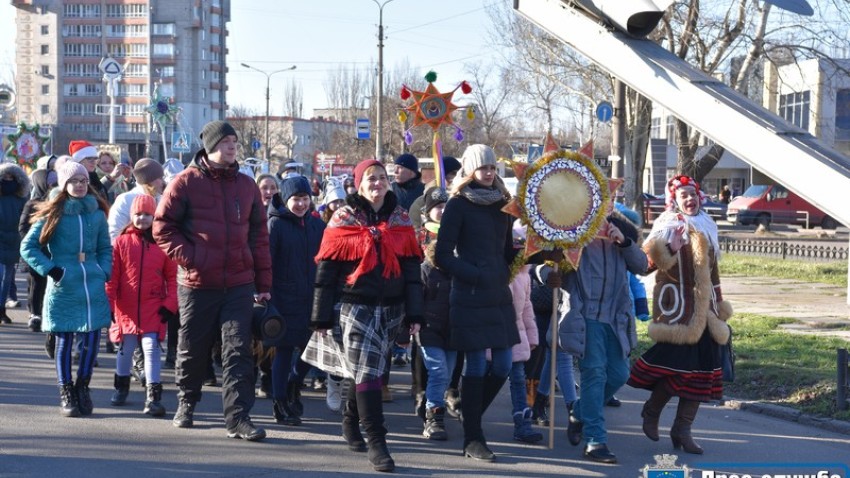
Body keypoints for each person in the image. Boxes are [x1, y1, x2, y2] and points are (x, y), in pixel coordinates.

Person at [153, 120, 272, 441]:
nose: (231, 147)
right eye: (225, 142)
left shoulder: (247, 186)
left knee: (238, 351)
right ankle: (187, 402)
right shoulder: (185, 182)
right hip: (195, 283)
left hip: (238, 283)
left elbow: (260, 237)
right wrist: (193, 258)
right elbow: (162, 227)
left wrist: (263, 284)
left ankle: (238, 418)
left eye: (234, 142)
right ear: (209, 146)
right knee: (193, 347)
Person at [302, 159, 423, 473]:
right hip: (356, 307)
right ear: (358, 183)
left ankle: (348, 418)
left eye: (382, 178)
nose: (377, 183)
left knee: (369, 372)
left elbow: (411, 270)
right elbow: (326, 272)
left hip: (392, 308)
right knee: (368, 373)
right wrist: (320, 318)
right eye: (371, 178)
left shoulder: (400, 218)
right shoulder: (343, 217)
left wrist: (415, 312)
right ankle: (377, 441)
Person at [628, 174, 732, 455]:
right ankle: (652, 410)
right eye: (683, 195)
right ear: (674, 199)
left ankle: (682, 430)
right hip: (676, 311)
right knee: (678, 367)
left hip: (706, 311)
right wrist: (670, 247)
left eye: (692, 194)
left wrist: (720, 305)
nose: (689, 199)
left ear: (700, 197)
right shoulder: (666, 225)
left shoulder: (707, 226)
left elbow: (713, 273)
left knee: (701, 373)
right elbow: (645, 265)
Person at [434, 144, 520, 461]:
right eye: (483, 167)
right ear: (470, 171)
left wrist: (536, 253)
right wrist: (474, 274)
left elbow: (507, 252)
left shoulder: (504, 205)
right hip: (469, 295)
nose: (489, 173)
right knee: (475, 366)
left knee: (503, 365)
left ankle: (470, 415)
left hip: (498, 295)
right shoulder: (457, 205)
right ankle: (473, 438)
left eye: (493, 168)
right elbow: (442, 255)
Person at [549, 195, 648, 464]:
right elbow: (545, 264)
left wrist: (625, 242)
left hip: (616, 318)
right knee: (594, 375)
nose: (605, 205)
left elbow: (643, 265)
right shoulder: (572, 233)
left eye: (609, 200)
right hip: (585, 316)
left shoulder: (622, 230)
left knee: (619, 374)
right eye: (598, 199)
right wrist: (549, 276)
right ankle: (595, 440)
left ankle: (579, 413)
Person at [20, 161, 112, 417]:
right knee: (65, 340)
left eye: (83, 181)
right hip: (64, 285)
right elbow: (28, 248)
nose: (80, 185)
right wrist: (53, 270)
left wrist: (103, 270)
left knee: (92, 340)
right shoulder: (54, 213)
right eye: (74, 181)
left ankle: (83, 387)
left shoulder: (96, 213)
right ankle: (66, 390)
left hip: (92, 284)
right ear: (64, 185)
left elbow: (106, 248)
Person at [106, 195, 177, 416]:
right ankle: (121, 387)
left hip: (153, 306)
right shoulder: (121, 242)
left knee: (151, 348)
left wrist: (169, 305)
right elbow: (113, 277)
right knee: (126, 349)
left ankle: (153, 396)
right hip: (125, 307)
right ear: (131, 216)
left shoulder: (162, 244)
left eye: (147, 214)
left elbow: (174, 279)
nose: (142, 218)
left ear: (154, 216)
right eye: (138, 214)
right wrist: (108, 304)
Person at [267, 176, 326, 426]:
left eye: (304, 199)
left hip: (312, 297)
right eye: (295, 199)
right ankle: (280, 401)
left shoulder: (316, 225)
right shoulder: (275, 225)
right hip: (283, 297)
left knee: (312, 351)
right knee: (284, 350)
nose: (301, 204)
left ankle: (294, 381)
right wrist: (265, 293)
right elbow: (266, 262)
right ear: (285, 199)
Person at [416, 186, 456, 441]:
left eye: (446, 206)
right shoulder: (421, 243)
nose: (442, 211)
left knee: (446, 374)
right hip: (428, 325)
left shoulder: (459, 238)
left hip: (454, 326)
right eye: (437, 207)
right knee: (438, 370)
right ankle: (433, 416)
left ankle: (431, 403)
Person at [505, 221, 543, 444]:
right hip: (494, 337)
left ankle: (523, 424)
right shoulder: (501, 272)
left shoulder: (524, 276)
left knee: (518, 380)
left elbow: (527, 307)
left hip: (517, 337)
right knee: (485, 379)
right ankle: (473, 416)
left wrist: (532, 335)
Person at [19, 169, 54, 332]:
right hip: (36, 251)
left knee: (49, 283)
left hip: (53, 251)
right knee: (35, 283)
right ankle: (34, 314)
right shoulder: (32, 203)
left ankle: (46, 312)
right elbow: (23, 227)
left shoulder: (57, 202)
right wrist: (36, 242)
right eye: (50, 182)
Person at [1, 162, 31, 325]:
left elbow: (25, 219)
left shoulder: (21, 198)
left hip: (14, 241)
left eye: (11, 176)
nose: (7, 179)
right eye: (4, 176)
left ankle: (2, 309)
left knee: (7, 278)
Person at [409, 156, 461, 231]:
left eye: (459, 174)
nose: (455, 178)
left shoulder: (463, 199)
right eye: (453, 173)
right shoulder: (421, 203)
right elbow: (414, 229)